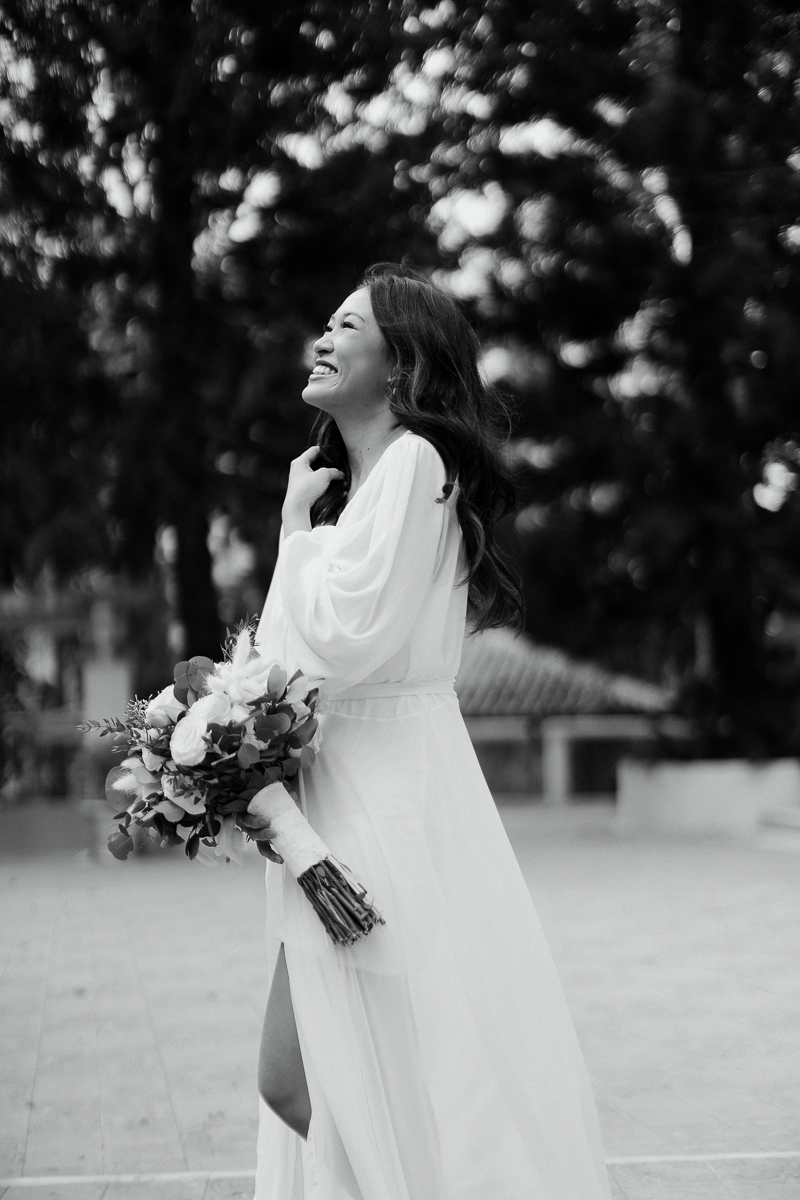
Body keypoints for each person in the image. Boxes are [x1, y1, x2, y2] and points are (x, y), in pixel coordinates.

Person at [250, 264, 611, 1199]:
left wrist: (292, 527)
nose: (322, 339)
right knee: (310, 1075)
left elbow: (341, 637)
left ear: (402, 362)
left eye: (347, 326)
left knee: (375, 1069)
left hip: (386, 799)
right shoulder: (362, 494)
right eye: (326, 323)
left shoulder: (417, 462)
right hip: (337, 788)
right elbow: (288, 657)